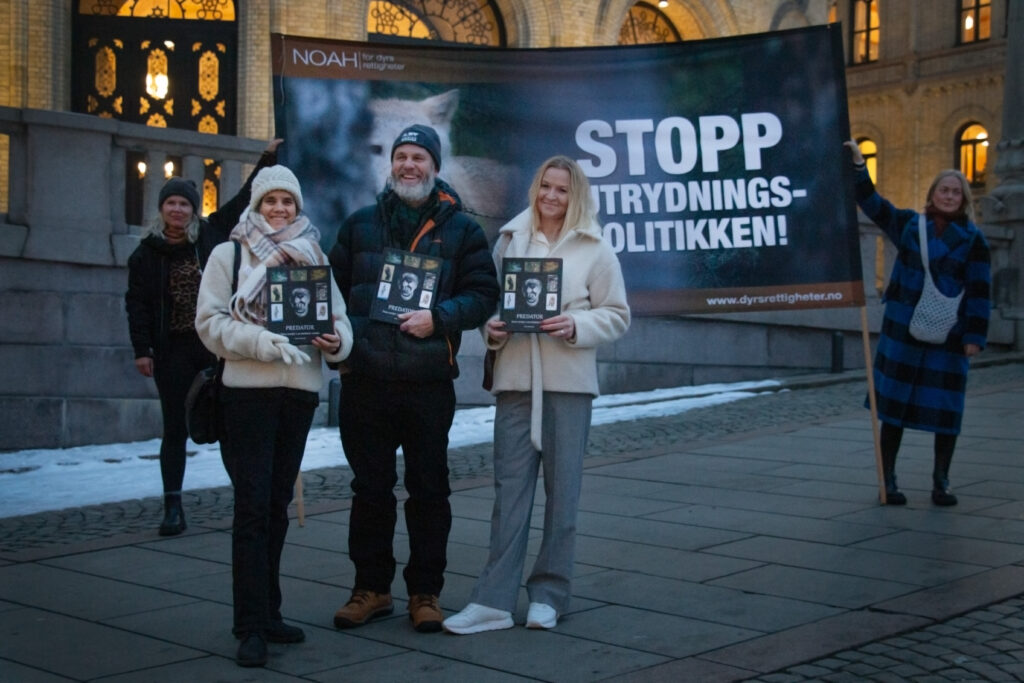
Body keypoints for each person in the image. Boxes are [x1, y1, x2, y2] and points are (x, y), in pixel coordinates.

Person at [443, 155, 630, 634]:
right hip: (515, 382)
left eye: (562, 190)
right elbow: (491, 305)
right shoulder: (510, 239)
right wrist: (494, 329)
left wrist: (577, 324)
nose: (550, 196)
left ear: (576, 195)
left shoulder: (595, 246)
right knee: (509, 494)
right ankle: (494, 600)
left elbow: (617, 314)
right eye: (545, 186)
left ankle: (549, 593)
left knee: (563, 493)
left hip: (568, 384)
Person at [328, 124, 499, 633]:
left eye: (419, 157)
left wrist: (441, 318)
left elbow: (483, 295)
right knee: (370, 490)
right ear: (391, 165)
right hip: (366, 382)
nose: (408, 165)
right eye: (401, 156)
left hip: (427, 384)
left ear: (435, 167)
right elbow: (331, 296)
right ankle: (371, 589)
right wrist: (339, 344)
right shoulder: (359, 225)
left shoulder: (463, 230)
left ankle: (426, 592)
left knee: (429, 489)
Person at [196, 164, 353, 667]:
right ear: (256, 205)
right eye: (271, 201)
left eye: (288, 202)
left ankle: (271, 612)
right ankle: (249, 626)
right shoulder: (231, 253)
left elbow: (341, 319)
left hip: (298, 394)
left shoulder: (313, 254)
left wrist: (337, 341)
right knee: (252, 508)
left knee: (277, 506)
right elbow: (210, 322)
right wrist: (261, 342)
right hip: (247, 394)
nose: (280, 209)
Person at [125, 139, 281, 536]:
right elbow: (137, 304)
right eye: (171, 203)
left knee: (228, 422)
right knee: (174, 428)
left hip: (212, 344)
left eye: (184, 204)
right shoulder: (145, 254)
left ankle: (243, 500)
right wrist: (142, 350)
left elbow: (244, 199)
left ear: (193, 210)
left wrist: (266, 159)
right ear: (161, 209)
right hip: (172, 348)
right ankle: (173, 506)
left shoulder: (210, 235)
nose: (177, 210)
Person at [844, 140, 991, 506]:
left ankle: (941, 482)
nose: (949, 195)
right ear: (933, 193)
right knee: (892, 410)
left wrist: (974, 336)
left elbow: (980, 290)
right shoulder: (911, 225)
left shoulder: (974, 240)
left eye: (956, 192)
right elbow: (873, 206)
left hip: (950, 337)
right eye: (944, 189)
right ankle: (888, 481)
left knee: (947, 411)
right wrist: (860, 167)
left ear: (964, 199)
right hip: (903, 331)